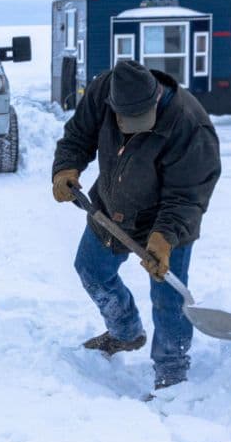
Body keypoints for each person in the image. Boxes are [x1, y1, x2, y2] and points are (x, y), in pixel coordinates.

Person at [51, 59, 221, 393]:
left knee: (168, 300)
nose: (133, 128)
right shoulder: (103, 90)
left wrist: (164, 237)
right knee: (91, 269)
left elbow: (188, 196)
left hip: (168, 222)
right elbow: (78, 135)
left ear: (156, 98)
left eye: (142, 121)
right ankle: (125, 333)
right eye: (126, 121)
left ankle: (172, 374)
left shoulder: (190, 125)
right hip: (113, 207)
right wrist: (65, 168)